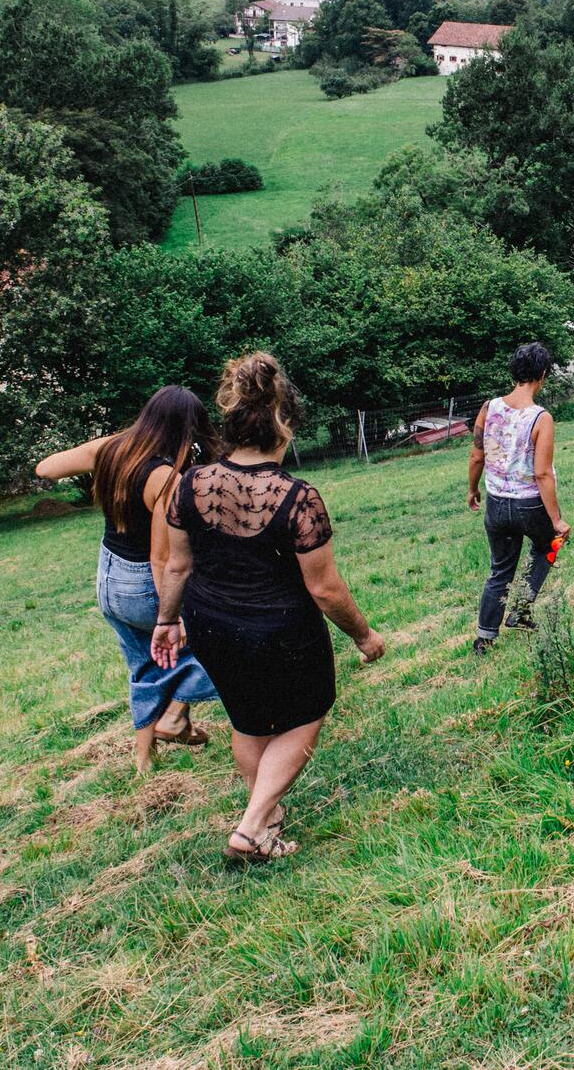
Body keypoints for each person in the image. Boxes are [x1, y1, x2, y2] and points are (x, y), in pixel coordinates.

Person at [153, 351, 385, 864]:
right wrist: (364, 637)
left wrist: (167, 622)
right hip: (280, 630)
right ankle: (252, 826)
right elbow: (324, 589)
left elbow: (175, 567)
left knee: (250, 723)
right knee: (306, 715)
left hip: (209, 624)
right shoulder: (298, 498)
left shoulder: (188, 484)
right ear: (284, 425)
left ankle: (267, 824)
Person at [35, 387, 221, 774]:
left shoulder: (111, 449)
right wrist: (171, 615)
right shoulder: (165, 478)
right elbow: (160, 558)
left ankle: (143, 761)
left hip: (107, 579)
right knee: (214, 642)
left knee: (143, 666)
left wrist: (99, 452)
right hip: (140, 582)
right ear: (184, 431)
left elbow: (46, 468)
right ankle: (174, 716)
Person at [467, 342, 570, 655]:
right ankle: (521, 611)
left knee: (500, 569)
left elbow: (476, 456)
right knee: (549, 544)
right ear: (542, 375)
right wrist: (556, 520)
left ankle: (484, 638)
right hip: (529, 504)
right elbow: (542, 474)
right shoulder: (541, 419)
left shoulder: (489, 408)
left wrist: (473, 489)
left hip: (497, 503)